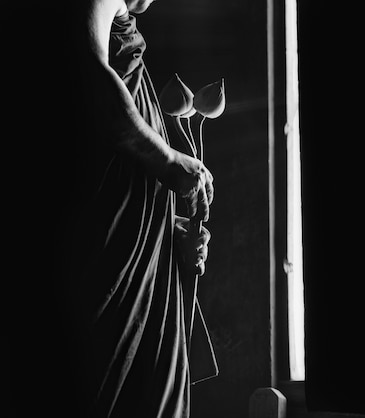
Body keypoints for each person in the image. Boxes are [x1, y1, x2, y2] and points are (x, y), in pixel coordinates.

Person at [10, 0, 214, 416]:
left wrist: (169, 229)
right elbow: (92, 74)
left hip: (133, 252)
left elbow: (110, 162)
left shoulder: (123, 19)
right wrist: (171, 161)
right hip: (105, 262)